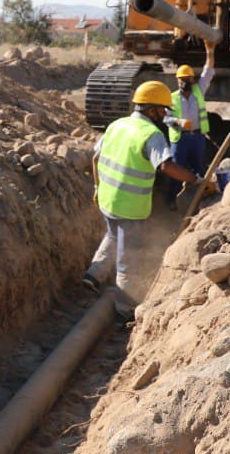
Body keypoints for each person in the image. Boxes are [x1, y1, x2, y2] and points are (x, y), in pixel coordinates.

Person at [81, 81, 211, 313]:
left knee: (113, 234)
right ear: (151, 110)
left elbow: (95, 158)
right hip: (129, 206)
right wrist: (195, 179)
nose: (165, 115)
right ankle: (123, 309)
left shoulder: (117, 124)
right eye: (163, 110)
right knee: (128, 260)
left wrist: (97, 188)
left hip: (107, 199)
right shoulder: (151, 134)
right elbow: (166, 166)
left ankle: (93, 275)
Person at [164, 48, 215, 211]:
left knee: (198, 168)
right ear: (177, 80)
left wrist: (210, 52)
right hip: (180, 138)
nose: (185, 82)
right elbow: (165, 119)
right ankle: (171, 199)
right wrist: (177, 122)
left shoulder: (199, 91)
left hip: (197, 137)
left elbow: (208, 72)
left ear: (193, 79)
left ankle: (198, 199)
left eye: (187, 78)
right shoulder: (171, 98)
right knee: (176, 169)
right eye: (182, 79)